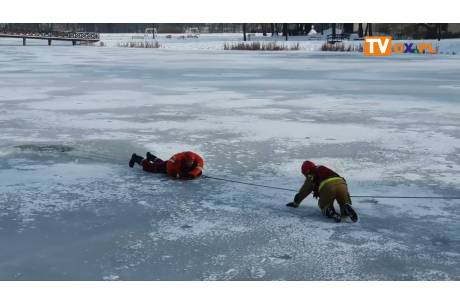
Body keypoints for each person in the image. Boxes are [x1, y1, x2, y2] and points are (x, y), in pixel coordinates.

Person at [286, 160, 358, 223]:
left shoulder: (311, 174)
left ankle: (329, 210)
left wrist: (296, 202)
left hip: (328, 186)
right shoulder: (322, 168)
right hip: (342, 184)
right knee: (344, 202)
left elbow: (305, 190)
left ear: (307, 171)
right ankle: (345, 209)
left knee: (323, 204)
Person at [129, 151, 204, 179]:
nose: (189, 163)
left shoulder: (198, 160)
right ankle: (136, 158)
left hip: (171, 164)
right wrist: (176, 174)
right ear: (185, 159)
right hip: (168, 165)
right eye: (188, 161)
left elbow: (199, 169)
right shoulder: (178, 158)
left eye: (191, 161)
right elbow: (170, 168)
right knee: (150, 167)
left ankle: (151, 157)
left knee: (160, 163)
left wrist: (193, 174)